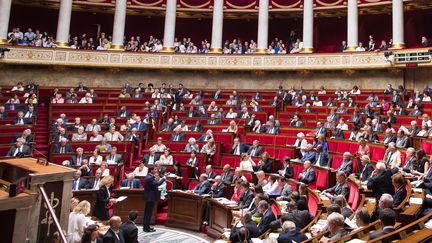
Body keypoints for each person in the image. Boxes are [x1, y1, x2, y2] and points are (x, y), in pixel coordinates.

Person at [143, 167, 165, 232]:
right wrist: (164, 178)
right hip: (150, 198)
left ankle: (147, 227)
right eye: (155, 169)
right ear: (151, 170)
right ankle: (146, 228)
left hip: (149, 198)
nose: (156, 170)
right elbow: (158, 184)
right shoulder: (150, 178)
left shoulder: (149, 176)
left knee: (147, 213)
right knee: (148, 214)